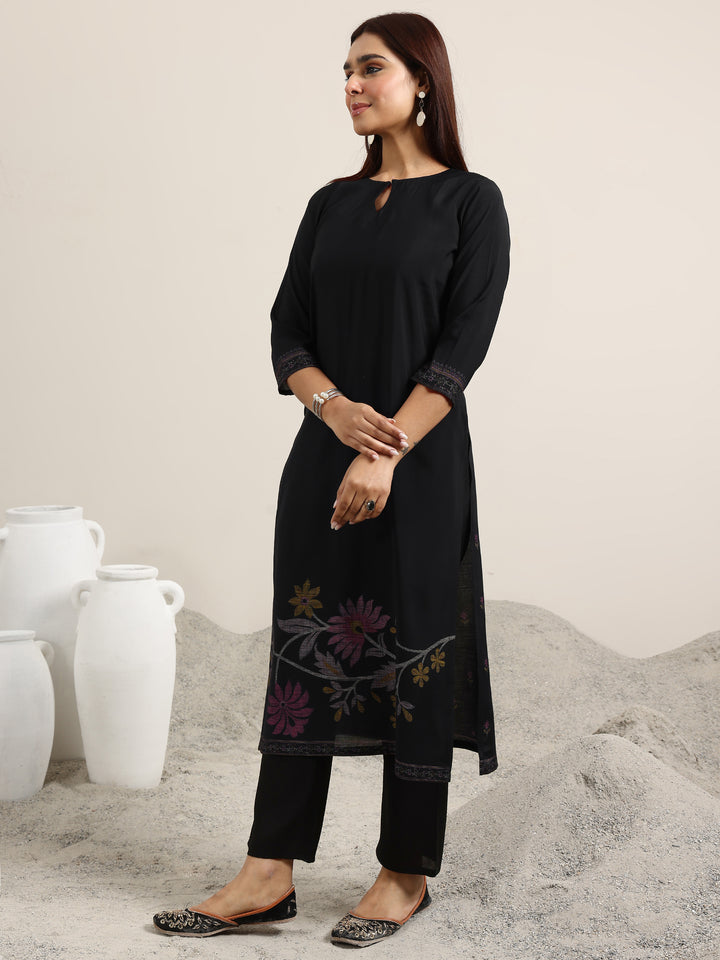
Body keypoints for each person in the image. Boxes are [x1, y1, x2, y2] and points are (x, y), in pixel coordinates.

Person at [152, 11, 511, 947]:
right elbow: (288, 329)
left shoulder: (471, 203)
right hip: (321, 460)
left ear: (422, 81)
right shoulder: (330, 204)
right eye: (345, 70)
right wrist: (335, 410)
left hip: (420, 467)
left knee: (416, 655)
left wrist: (382, 449)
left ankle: (404, 873)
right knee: (303, 658)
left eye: (370, 68)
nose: (350, 84)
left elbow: (463, 343)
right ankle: (268, 870)